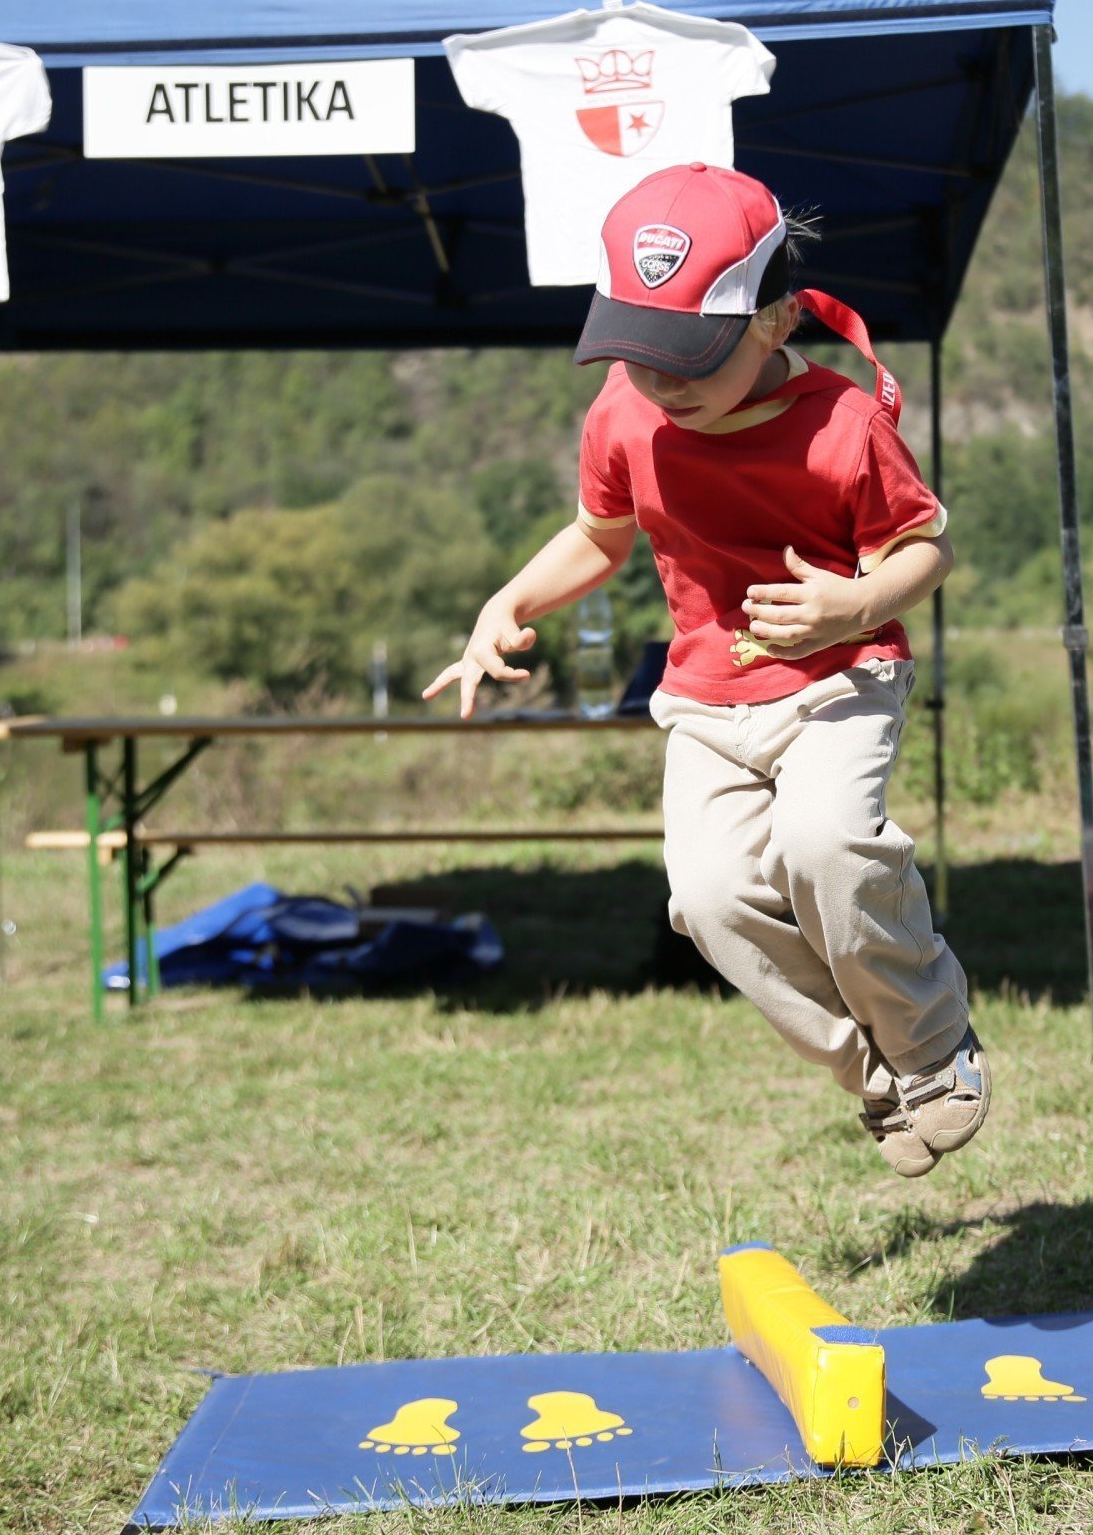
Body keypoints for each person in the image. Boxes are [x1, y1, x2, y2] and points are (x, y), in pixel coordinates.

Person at [423, 163, 987, 1178]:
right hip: (708, 699)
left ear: (773, 322)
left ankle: (936, 1048)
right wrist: (505, 602)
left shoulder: (842, 426)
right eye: (641, 354)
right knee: (710, 898)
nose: (663, 380)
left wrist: (855, 603)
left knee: (826, 846)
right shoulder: (624, 416)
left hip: (839, 680)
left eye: (690, 354)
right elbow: (599, 537)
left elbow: (927, 546)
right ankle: (873, 1075)